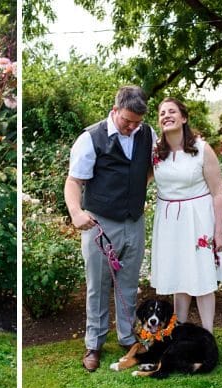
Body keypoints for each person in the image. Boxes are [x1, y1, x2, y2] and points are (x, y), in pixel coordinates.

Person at [64, 85, 157, 372]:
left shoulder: (147, 134)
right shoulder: (90, 139)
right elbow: (74, 182)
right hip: (100, 223)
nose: (131, 127)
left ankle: (128, 337)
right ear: (114, 110)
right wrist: (77, 213)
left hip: (134, 222)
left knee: (129, 284)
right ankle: (94, 344)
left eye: (136, 122)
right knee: (98, 286)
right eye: (126, 120)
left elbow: (150, 170)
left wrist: (134, 192)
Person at [150, 97, 222, 333]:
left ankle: (208, 335)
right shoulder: (156, 151)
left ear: (183, 117)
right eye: (162, 112)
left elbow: (218, 193)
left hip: (199, 219)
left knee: (203, 277)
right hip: (168, 222)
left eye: (172, 111)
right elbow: (140, 179)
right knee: (179, 275)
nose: (166, 115)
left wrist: (218, 231)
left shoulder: (201, 149)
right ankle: (180, 332)